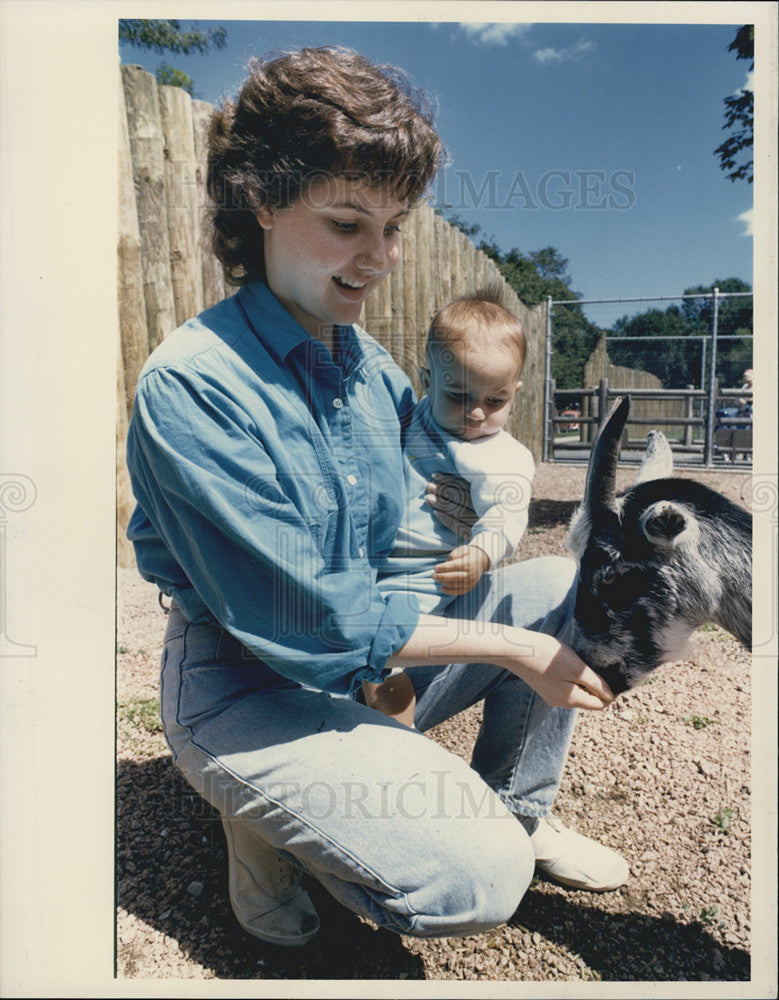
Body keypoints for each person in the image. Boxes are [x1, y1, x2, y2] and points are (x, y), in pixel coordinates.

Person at [125, 46, 628, 949]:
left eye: (393, 227)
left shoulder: (375, 371)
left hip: (364, 658)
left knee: (559, 588)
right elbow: (305, 615)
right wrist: (505, 647)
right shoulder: (194, 387)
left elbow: (424, 519)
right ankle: (276, 820)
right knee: (475, 881)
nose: (380, 258)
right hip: (246, 684)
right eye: (348, 222)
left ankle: (513, 810)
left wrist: (481, 529)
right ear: (263, 202)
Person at [362, 287, 534, 728]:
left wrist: (480, 553)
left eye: (495, 401)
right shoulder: (414, 416)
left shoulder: (502, 456)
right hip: (367, 566)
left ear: (515, 391)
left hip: (423, 578)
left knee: (383, 675)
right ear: (427, 381)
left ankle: (399, 752)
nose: (476, 414)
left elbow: (506, 515)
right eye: (458, 395)